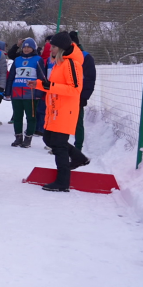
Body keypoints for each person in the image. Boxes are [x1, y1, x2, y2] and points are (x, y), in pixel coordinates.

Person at [31, 31, 90, 192]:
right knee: (49, 139)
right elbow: (53, 85)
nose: (50, 49)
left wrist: (50, 87)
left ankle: (63, 182)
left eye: (54, 47)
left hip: (65, 111)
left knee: (58, 146)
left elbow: (75, 89)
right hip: (55, 110)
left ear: (62, 48)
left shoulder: (72, 64)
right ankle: (79, 158)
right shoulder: (60, 63)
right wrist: (37, 84)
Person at [4, 38, 44, 148]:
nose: (26, 49)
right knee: (17, 116)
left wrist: (39, 93)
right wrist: (7, 91)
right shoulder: (17, 60)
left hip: (30, 93)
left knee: (30, 117)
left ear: (33, 48)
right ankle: (18, 137)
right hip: (16, 92)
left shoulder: (37, 60)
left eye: (29, 47)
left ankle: (28, 138)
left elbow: (41, 78)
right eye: (24, 47)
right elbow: (11, 76)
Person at [70, 31, 96, 151]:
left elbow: (90, 78)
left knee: (77, 123)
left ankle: (77, 148)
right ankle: (61, 146)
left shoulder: (85, 57)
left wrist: (84, 97)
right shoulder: (63, 56)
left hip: (77, 96)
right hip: (63, 95)